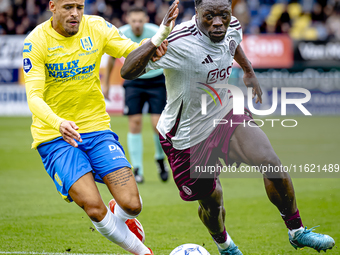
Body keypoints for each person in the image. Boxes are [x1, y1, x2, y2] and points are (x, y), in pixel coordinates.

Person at [121, 0, 335, 254]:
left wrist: (248, 70)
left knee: (270, 161)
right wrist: (158, 37)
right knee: (212, 202)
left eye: (224, 14)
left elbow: (233, 44)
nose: (219, 22)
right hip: (186, 136)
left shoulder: (231, 25)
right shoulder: (178, 41)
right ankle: (226, 246)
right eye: (209, 16)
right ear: (197, 12)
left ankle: (297, 231)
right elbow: (127, 71)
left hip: (225, 113)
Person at [22, 0, 179, 254]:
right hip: (54, 136)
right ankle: (142, 251)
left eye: (80, 7)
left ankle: (120, 213)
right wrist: (58, 123)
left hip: (96, 129)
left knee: (132, 205)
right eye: (68, 7)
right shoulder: (36, 41)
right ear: (52, 6)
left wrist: (153, 46)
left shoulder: (96, 27)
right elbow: (34, 97)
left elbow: (131, 50)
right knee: (94, 207)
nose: (75, 14)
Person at [104, 6, 169, 184]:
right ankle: (137, 169)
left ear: (146, 19)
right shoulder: (121, 33)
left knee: (158, 125)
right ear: (128, 20)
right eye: (134, 21)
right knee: (135, 123)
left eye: (140, 21)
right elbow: (111, 58)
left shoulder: (156, 32)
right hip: (133, 81)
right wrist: (107, 83)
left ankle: (159, 159)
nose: (137, 24)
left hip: (156, 81)